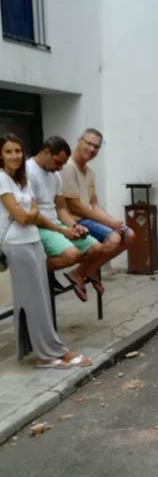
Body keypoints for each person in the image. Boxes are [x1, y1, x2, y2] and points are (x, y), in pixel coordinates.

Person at [0, 133, 91, 369]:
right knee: (33, 302)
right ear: (1, 155)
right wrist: (28, 213)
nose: (14, 156)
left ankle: (53, 349)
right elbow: (22, 216)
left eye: (18, 151)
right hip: (16, 244)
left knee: (40, 301)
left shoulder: (22, 180)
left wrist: (61, 231)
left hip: (32, 240)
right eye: (8, 151)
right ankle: (46, 355)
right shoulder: (1, 179)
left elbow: (35, 214)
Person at [26, 136, 103, 302]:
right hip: (38, 226)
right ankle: (34, 268)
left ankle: (45, 268)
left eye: (62, 164)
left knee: (96, 249)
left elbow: (60, 208)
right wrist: (63, 231)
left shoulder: (55, 175)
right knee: (71, 255)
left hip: (55, 223)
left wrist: (74, 226)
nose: (60, 168)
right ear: (46, 152)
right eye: (57, 162)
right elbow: (34, 215)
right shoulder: (28, 172)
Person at [61, 128, 135, 265]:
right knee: (114, 239)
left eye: (96, 146)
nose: (92, 149)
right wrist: (109, 223)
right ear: (79, 141)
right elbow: (75, 207)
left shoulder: (90, 171)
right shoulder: (68, 166)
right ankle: (81, 272)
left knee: (129, 235)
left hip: (88, 219)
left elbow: (93, 204)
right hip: (75, 220)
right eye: (88, 143)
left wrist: (114, 222)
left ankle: (89, 270)